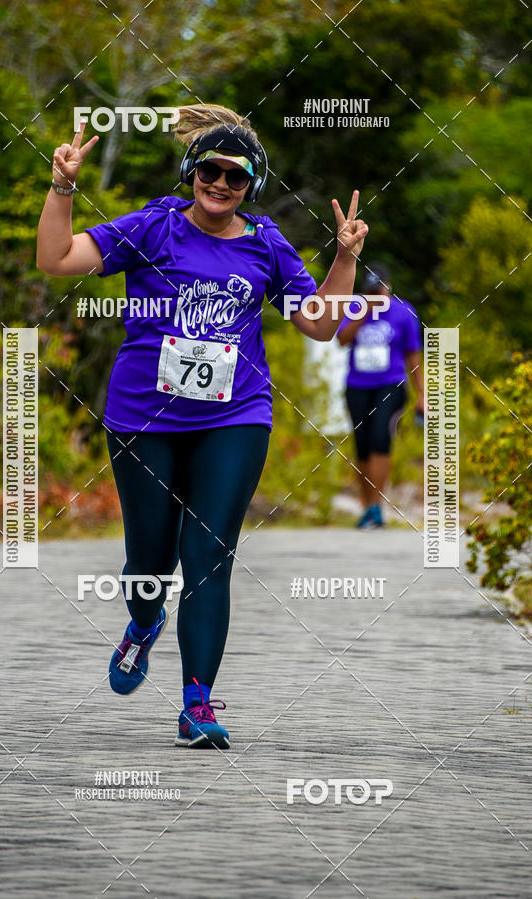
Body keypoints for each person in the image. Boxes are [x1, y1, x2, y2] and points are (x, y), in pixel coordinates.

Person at [36, 104, 368, 748]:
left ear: (251, 185)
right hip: (144, 419)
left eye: (236, 177)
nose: (221, 184)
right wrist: (63, 186)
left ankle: (198, 705)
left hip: (236, 417)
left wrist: (345, 259)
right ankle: (141, 622)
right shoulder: (153, 228)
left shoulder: (267, 244)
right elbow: (56, 258)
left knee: (209, 557)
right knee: (150, 560)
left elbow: (320, 322)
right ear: (192, 170)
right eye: (210, 171)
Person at [336, 263, 424, 529]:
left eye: (379, 292)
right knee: (362, 444)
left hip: (391, 385)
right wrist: (364, 314)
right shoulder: (353, 307)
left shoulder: (404, 312)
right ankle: (366, 507)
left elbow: (413, 356)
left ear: (388, 288)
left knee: (380, 438)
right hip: (358, 385)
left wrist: (423, 395)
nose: (375, 297)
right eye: (370, 292)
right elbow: (342, 340)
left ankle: (376, 506)